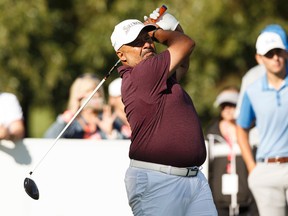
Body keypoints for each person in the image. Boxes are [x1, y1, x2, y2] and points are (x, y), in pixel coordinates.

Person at [110, 7, 217, 216]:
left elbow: (183, 59)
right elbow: (186, 43)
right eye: (138, 42)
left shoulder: (160, 77)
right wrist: (157, 32)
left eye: (148, 39)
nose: (148, 44)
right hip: (158, 182)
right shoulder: (142, 74)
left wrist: (174, 25)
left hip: (193, 180)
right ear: (121, 55)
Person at [236, 26, 288, 216]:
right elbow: (241, 128)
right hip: (267, 171)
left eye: (279, 52)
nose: (276, 58)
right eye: (269, 54)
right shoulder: (253, 88)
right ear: (259, 58)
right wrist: (252, 168)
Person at [205, 86, 258, 216]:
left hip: (248, 204)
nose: (228, 109)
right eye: (224, 105)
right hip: (218, 205)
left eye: (232, 104)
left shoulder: (252, 134)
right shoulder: (210, 136)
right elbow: (206, 172)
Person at [44, 73, 120, 139]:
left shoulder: (108, 121)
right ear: (78, 96)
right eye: (89, 91)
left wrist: (110, 133)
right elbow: (50, 138)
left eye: (98, 91)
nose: (96, 95)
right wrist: (71, 113)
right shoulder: (71, 124)